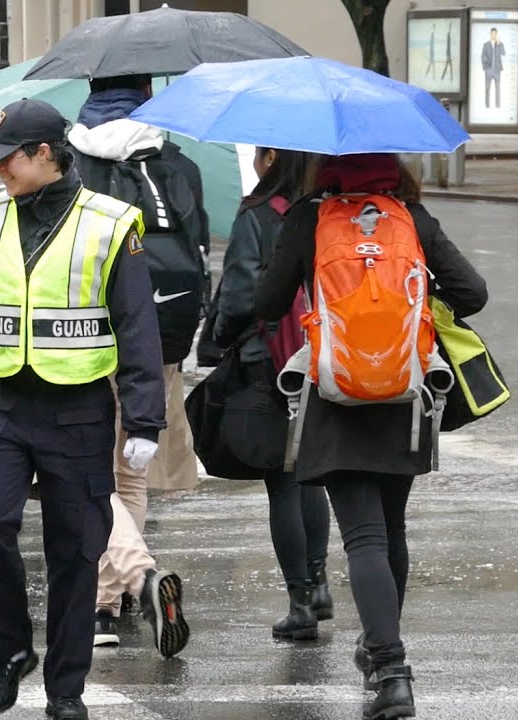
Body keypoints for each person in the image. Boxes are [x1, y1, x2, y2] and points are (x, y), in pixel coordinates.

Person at [0, 98, 169, 720]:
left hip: (77, 407)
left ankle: (66, 689)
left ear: (45, 155)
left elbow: (138, 326)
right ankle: (8, 655)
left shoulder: (111, 225)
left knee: (75, 551)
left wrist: (143, 416)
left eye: (8, 158)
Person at [253, 153, 488, 720]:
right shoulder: (412, 218)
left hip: (337, 395)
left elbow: (267, 303)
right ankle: (382, 653)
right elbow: (474, 294)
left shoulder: (310, 217)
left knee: (362, 537)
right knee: (391, 528)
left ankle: (390, 667)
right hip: (404, 396)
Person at [67, 73, 204, 652]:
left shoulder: (67, 160)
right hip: (158, 335)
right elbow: (198, 245)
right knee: (131, 469)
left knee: (87, 473)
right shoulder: (176, 162)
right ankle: (122, 592)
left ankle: (110, 599)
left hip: (83, 338)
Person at [211, 146, 333, 642]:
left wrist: (218, 333)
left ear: (272, 158)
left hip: (274, 360)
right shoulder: (330, 208)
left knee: (282, 480)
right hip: (330, 358)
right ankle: (321, 582)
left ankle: (300, 601)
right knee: (312, 476)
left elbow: (240, 298)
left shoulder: (261, 215)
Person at [481, 27, 506, 108]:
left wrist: (498, 43)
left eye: (495, 34)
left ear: (496, 34)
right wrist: (485, 67)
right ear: (490, 34)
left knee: (497, 88)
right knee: (487, 88)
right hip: (488, 70)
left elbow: (503, 53)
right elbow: (482, 56)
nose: (494, 35)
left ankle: (497, 105)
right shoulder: (486, 44)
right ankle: (487, 105)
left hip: (497, 70)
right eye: (492, 33)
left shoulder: (500, 44)